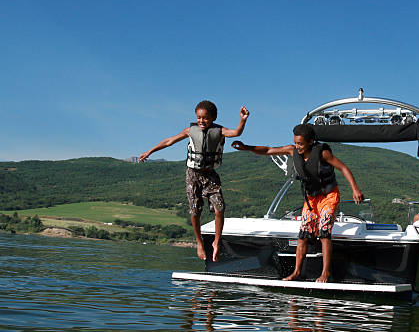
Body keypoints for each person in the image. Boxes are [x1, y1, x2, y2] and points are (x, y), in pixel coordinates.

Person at [231, 124, 364, 283]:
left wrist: (355, 189)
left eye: (300, 144)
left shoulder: (323, 153)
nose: (297, 146)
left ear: (310, 142)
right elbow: (267, 150)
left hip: (328, 196)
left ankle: (325, 273)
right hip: (311, 199)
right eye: (296, 143)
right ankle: (297, 272)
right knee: (303, 235)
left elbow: (343, 168)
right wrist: (246, 147)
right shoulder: (292, 150)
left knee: (324, 232)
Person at [138, 100, 249, 262]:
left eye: (205, 118)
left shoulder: (220, 131)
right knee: (195, 211)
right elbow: (169, 141)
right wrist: (150, 151)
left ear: (213, 118)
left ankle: (217, 242)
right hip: (193, 175)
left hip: (210, 175)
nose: (201, 121)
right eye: (198, 118)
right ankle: (199, 242)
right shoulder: (190, 130)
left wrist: (243, 120)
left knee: (220, 208)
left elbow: (237, 133)